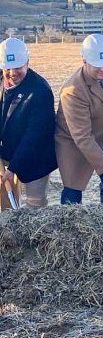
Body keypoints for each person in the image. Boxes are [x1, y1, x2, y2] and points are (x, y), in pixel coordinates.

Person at [55, 34, 103, 204]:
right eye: (97, 66)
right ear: (84, 61)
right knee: (73, 186)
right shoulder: (72, 90)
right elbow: (82, 137)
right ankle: (69, 220)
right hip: (74, 142)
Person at [0, 37, 57, 209]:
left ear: (27, 63)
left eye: (18, 67)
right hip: (5, 151)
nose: (12, 73)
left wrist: (14, 168)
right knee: (6, 203)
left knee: (35, 204)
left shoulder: (40, 91)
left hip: (35, 156)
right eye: (7, 68)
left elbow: (34, 136)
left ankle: (37, 235)